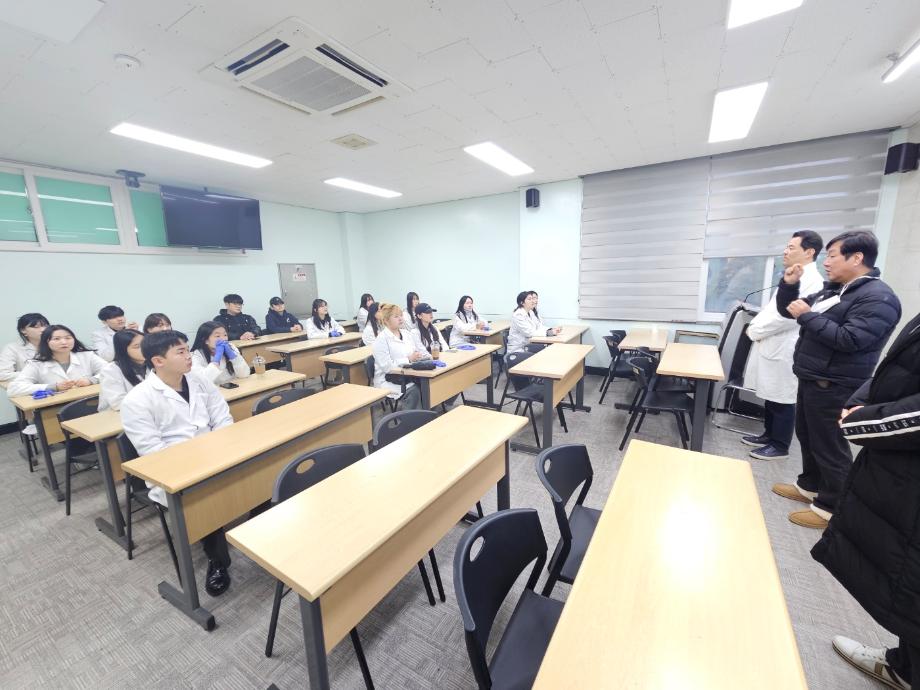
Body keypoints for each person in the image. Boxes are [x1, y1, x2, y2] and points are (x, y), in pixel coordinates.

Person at [811, 308, 920, 690]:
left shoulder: (876, 298)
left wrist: (863, 420)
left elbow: (852, 340)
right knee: (907, 589)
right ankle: (903, 667)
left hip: (900, 451)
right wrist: (860, 401)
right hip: (896, 471)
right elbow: (893, 371)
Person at [772, 231, 901, 529]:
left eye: (832, 256)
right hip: (813, 377)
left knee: (830, 447)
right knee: (808, 438)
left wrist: (807, 317)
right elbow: (789, 311)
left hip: (836, 384)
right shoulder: (836, 290)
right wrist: (789, 286)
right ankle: (810, 486)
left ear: (856, 258)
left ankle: (832, 508)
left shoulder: (878, 298)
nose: (826, 262)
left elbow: (851, 340)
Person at [120, 330, 235, 596]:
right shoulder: (137, 400)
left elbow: (222, 417)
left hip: (218, 454)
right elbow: (154, 453)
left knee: (263, 469)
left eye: (187, 349)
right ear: (158, 361)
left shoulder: (199, 380)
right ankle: (218, 560)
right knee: (205, 496)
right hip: (175, 471)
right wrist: (201, 461)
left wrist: (222, 450)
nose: (189, 356)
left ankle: (253, 528)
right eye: (180, 352)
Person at [742, 231, 826, 460]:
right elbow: (775, 309)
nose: (785, 251)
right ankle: (768, 435)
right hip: (773, 344)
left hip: (785, 347)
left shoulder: (812, 280)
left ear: (809, 252)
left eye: (791, 247)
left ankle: (779, 445)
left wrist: (757, 330)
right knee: (771, 394)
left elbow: (789, 316)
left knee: (782, 396)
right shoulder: (794, 275)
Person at [8, 325, 106, 396]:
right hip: (55, 407)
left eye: (68, 338)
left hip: (89, 400)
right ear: (46, 342)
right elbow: (14, 389)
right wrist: (53, 387)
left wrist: (91, 380)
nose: (64, 342)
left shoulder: (87, 356)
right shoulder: (36, 364)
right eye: (56, 339)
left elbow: (110, 371)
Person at [371, 303, 423, 409]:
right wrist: (408, 359)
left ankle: (427, 414)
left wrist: (417, 356)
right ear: (386, 320)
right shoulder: (381, 339)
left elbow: (414, 351)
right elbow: (387, 367)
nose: (400, 319)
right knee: (414, 391)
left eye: (401, 315)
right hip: (388, 379)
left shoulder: (406, 334)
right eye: (396, 316)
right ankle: (412, 418)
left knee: (430, 384)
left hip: (408, 374)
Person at [190, 321, 251, 386]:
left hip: (234, 387)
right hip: (214, 390)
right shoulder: (196, 355)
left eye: (225, 335)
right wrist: (216, 359)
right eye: (217, 336)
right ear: (206, 340)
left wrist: (234, 357)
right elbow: (203, 381)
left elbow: (244, 374)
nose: (223, 339)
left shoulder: (231, 347)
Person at [98, 329, 146, 411]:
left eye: (145, 344)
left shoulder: (153, 364)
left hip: (146, 411)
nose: (144, 349)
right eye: (137, 346)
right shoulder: (111, 371)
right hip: (116, 414)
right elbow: (118, 403)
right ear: (123, 350)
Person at [0, 313, 49, 382]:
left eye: (45, 326)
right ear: (23, 330)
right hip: (28, 386)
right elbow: (2, 374)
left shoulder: (56, 345)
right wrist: (34, 375)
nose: (43, 329)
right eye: (36, 327)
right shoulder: (12, 348)